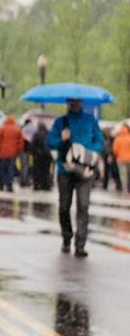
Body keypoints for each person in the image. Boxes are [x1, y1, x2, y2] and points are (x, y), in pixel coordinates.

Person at [47, 99, 104, 257]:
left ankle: (80, 245)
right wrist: (62, 140)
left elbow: (100, 142)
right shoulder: (61, 122)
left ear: (82, 102)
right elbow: (50, 143)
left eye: (78, 101)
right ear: (68, 103)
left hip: (85, 170)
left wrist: (87, 151)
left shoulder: (90, 120)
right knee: (64, 207)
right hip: (65, 170)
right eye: (72, 101)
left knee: (83, 206)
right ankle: (66, 237)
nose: (75, 104)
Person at [0, 116, 24, 192]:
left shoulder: (2, 129)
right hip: (12, 154)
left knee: (1, 170)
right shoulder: (17, 130)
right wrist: (18, 152)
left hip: (1, 154)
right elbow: (21, 143)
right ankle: (9, 186)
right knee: (10, 170)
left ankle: (0, 186)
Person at [31, 122, 53, 191]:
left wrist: (33, 152)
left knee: (37, 171)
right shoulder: (49, 134)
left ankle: (37, 185)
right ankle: (46, 185)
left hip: (37, 156)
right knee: (46, 171)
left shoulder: (36, 134)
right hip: (47, 155)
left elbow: (32, 145)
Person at [112, 122, 130, 192]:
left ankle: (125, 189)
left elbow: (115, 150)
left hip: (121, 159)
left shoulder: (118, 138)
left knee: (123, 175)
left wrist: (117, 156)